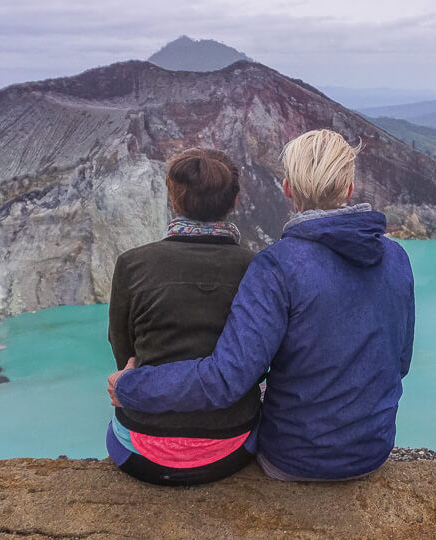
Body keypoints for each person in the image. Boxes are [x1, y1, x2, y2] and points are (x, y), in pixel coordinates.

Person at [109, 129, 415, 481]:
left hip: (294, 459)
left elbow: (227, 378)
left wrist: (131, 387)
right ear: (348, 189)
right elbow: (399, 362)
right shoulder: (396, 258)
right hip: (372, 452)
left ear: (286, 188)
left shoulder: (278, 265)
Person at [104, 148, 260, 486]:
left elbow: (123, 349)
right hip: (230, 447)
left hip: (141, 451)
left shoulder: (133, 264)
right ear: (234, 200)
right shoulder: (257, 268)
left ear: (174, 200)